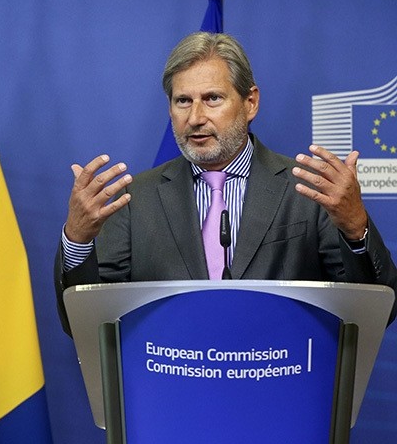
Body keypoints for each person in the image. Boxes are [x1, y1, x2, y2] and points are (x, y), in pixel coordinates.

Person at [54, 31, 397, 336]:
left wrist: (356, 229)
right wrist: (78, 241)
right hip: (173, 383)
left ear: (250, 103)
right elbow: (87, 325)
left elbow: (375, 314)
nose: (196, 118)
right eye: (183, 101)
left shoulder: (307, 192)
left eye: (212, 98)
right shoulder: (135, 199)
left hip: (280, 382)